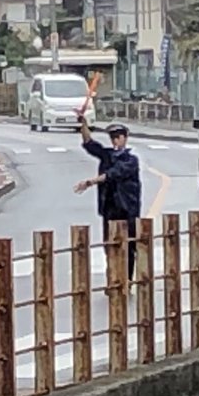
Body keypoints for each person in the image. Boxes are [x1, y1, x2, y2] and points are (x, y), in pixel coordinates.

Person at [75, 118, 141, 283]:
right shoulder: (107, 155)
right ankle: (113, 280)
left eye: (118, 136)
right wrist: (83, 125)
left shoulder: (131, 160)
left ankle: (127, 279)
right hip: (109, 209)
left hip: (127, 211)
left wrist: (91, 182)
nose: (115, 140)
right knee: (109, 246)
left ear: (125, 138)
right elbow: (90, 144)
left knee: (129, 246)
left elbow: (114, 173)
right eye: (113, 137)